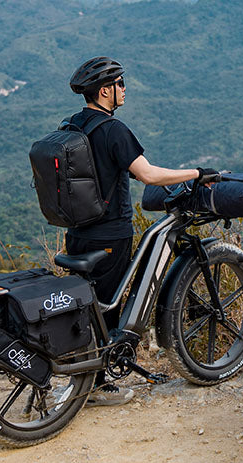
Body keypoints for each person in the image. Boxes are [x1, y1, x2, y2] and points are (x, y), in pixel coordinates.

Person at [63, 56, 218, 406]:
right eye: (119, 84)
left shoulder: (72, 125)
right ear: (105, 91)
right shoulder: (113, 130)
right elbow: (148, 175)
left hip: (77, 233)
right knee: (108, 308)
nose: (124, 89)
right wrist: (195, 173)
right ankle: (97, 387)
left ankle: (82, 373)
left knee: (89, 306)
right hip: (110, 234)